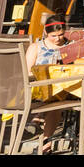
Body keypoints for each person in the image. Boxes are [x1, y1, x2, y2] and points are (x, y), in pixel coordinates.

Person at [25, 14, 68, 152]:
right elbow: (27, 73)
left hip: (63, 87)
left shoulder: (70, 47)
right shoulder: (36, 47)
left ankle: (39, 123)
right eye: (53, 36)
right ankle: (45, 141)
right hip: (37, 88)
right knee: (56, 102)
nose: (58, 39)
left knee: (57, 98)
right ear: (45, 32)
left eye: (61, 35)